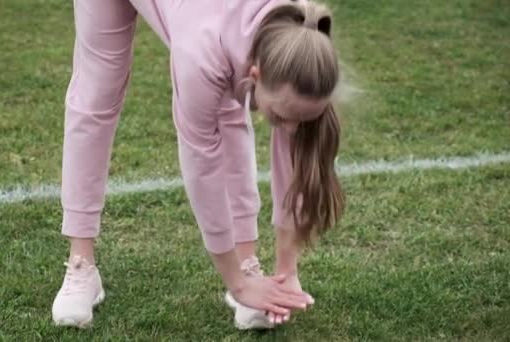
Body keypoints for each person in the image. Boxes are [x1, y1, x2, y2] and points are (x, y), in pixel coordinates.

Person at [51, 0, 344, 330]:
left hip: (216, 23)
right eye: (279, 117)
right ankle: (80, 264)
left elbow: (295, 156)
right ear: (256, 74)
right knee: (97, 94)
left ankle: (249, 262)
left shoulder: (299, 41)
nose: (289, 129)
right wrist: (238, 285)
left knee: (232, 108)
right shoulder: (201, 55)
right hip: (202, 26)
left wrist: (286, 271)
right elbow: (202, 169)